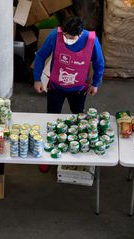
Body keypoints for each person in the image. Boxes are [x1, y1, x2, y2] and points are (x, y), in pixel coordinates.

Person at [33, 16, 105, 172]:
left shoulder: (92, 40)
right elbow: (40, 56)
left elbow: (99, 63)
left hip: (78, 90)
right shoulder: (55, 35)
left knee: (79, 120)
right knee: (51, 120)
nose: (67, 39)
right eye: (65, 35)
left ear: (80, 34)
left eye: (71, 37)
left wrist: (96, 83)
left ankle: (77, 152)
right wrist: (37, 79)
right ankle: (48, 155)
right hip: (56, 88)